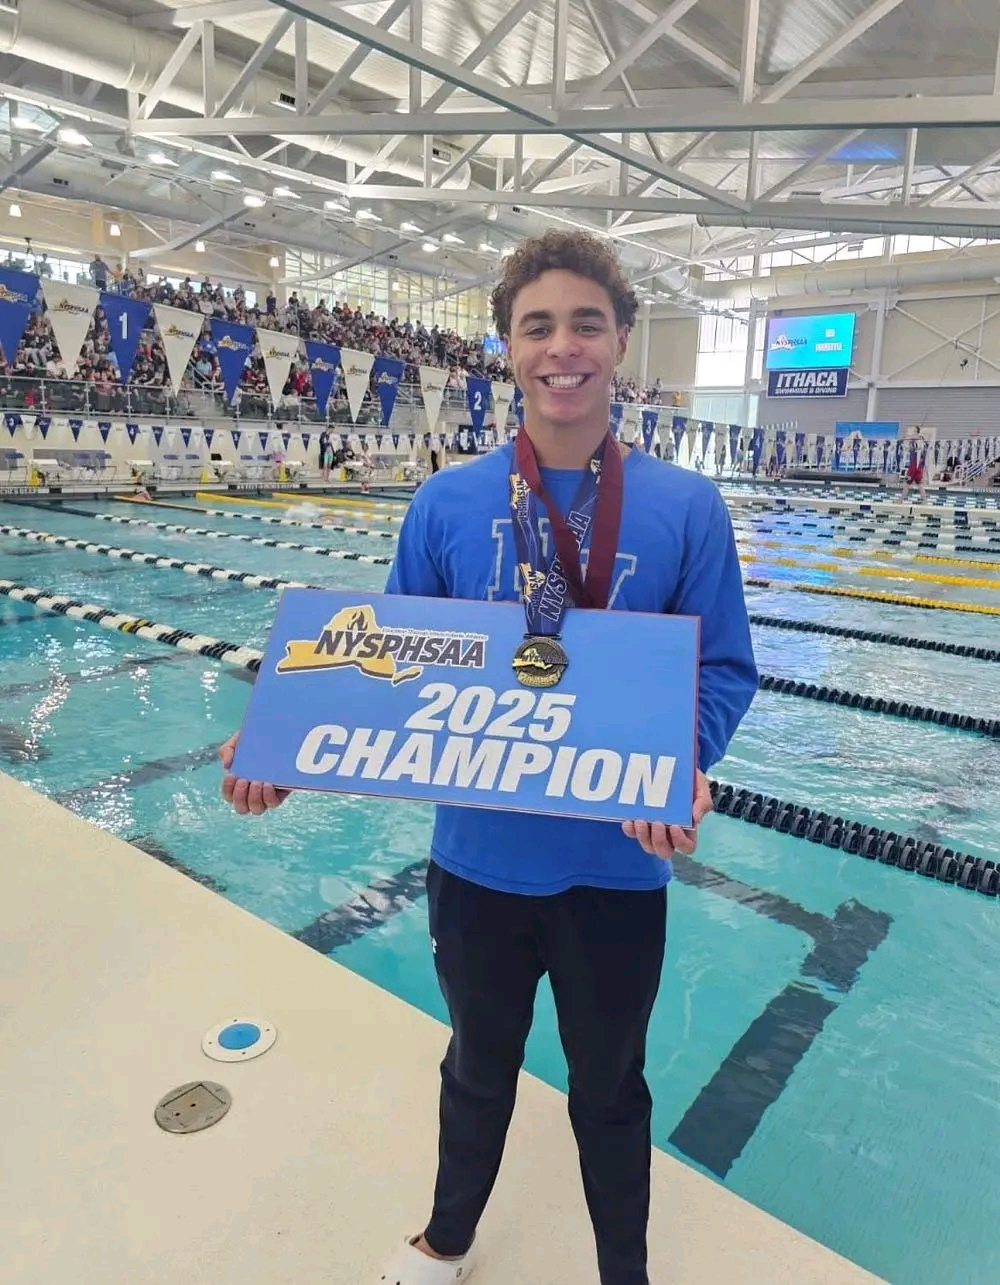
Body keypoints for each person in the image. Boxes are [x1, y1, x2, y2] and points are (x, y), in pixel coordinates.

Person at [217, 229, 758, 1285]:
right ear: (506, 347)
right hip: (475, 865)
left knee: (610, 1086)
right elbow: (377, 665)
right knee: (475, 1063)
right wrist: (281, 737)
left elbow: (723, 669)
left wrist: (676, 764)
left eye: (585, 323)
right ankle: (448, 1237)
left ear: (619, 340)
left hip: (615, 865)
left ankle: (623, 1268)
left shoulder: (684, 507)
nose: (562, 347)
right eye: (537, 325)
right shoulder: (447, 503)